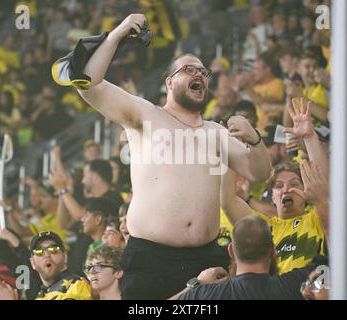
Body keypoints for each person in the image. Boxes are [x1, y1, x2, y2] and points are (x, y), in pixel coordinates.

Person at [76, 14, 271, 299]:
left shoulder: (215, 132)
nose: (199, 76)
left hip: (205, 256)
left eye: (204, 73)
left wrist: (255, 140)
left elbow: (260, 172)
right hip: (150, 260)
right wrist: (117, 35)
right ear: (169, 82)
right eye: (189, 70)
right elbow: (88, 84)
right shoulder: (146, 115)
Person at [221, 99, 329, 274]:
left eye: (294, 184)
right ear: (272, 196)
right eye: (279, 186)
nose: (286, 189)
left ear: (306, 191)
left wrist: (309, 137)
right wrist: (230, 149)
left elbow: (323, 184)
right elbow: (228, 202)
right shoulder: (264, 228)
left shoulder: (316, 219)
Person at [172, 215, 327, 300]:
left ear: (231, 251)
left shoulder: (204, 296)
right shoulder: (295, 285)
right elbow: (334, 263)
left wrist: (196, 284)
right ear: (273, 250)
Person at [0, 231, 93, 300]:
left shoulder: (77, 283)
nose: (47, 254)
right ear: (33, 263)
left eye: (54, 249)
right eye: (39, 251)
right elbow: (9, 259)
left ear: (65, 257)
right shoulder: (39, 295)